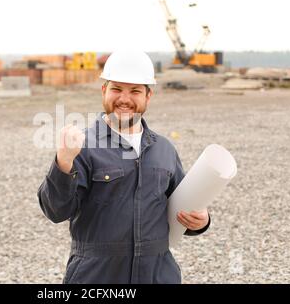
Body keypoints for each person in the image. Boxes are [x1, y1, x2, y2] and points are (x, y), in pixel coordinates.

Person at [37, 51, 210, 284]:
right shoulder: (83, 147)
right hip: (96, 277)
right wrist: (63, 162)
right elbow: (55, 211)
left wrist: (201, 221)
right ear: (104, 91)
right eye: (116, 89)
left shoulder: (164, 149)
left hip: (158, 275)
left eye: (135, 91)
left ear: (148, 96)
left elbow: (181, 208)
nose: (124, 99)